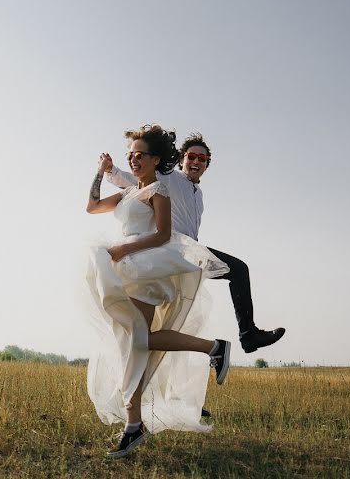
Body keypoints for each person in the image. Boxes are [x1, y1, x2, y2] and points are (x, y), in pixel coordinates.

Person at [84, 124, 232, 459]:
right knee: (136, 343)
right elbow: (92, 207)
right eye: (130, 156)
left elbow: (164, 235)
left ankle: (133, 425)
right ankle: (212, 349)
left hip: (146, 271)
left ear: (156, 159)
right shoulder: (126, 193)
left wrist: (124, 250)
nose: (134, 161)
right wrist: (99, 172)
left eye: (140, 156)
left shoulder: (159, 191)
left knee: (134, 345)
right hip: (127, 270)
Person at [101, 133, 285, 354]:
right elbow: (139, 178)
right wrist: (111, 171)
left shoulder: (199, 194)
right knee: (238, 269)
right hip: (174, 250)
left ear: (207, 165)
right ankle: (248, 336)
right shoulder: (170, 177)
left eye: (202, 159)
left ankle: (242, 338)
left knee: (236, 272)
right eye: (191, 156)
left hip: (188, 253)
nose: (196, 162)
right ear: (182, 159)